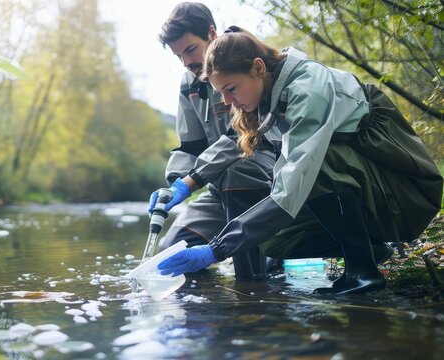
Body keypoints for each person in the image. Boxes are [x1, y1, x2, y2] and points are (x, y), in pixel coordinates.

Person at [157, 26, 443, 294]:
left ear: (258, 68)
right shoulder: (267, 95)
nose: (228, 102)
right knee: (270, 239)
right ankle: (369, 249)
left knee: (315, 166)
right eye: (221, 93)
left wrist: (217, 249)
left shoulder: (308, 89)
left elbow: (296, 179)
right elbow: (240, 146)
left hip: (406, 196)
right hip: (372, 193)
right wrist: (184, 182)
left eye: (231, 89)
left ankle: (363, 271)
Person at [148, 2, 277, 279]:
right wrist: (174, 186)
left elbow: (242, 136)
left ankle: (252, 285)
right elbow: (191, 147)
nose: (186, 62)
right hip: (218, 186)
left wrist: (191, 181)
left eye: (190, 50)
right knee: (171, 254)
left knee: (238, 171)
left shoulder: (245, 62)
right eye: (178, 55)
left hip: (264, 178)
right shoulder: (188, 83)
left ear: (211, 33)